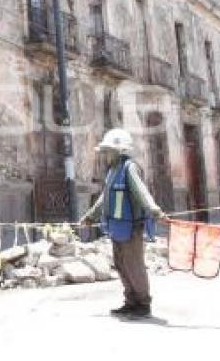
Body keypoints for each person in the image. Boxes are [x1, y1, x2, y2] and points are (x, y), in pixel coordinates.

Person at [81, 128, 165, 319]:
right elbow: (105, 197)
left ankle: (143, 303)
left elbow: (141, 191)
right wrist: (91, 215)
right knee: (121, 264)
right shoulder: (112, 171)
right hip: (117, 227)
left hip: (132, 227)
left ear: (119, 151)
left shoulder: (130, 168)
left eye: (108, 151)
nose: (105, 155)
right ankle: (131, 301)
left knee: (134, 265)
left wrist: (154, 210)